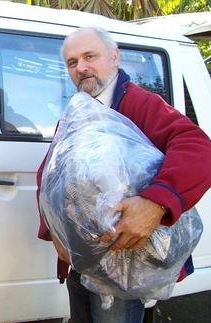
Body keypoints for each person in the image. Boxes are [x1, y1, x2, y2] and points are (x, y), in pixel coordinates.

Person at [36, 27, 211, 323]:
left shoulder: (139, 103)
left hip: (125, 262)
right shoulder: (77, 111)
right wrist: (53, 231)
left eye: (90, 56)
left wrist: (156, 204)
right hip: (83, 259)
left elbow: (198, 147)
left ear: (114, 57)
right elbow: (50, 174)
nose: (81, 67)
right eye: (72, 62)